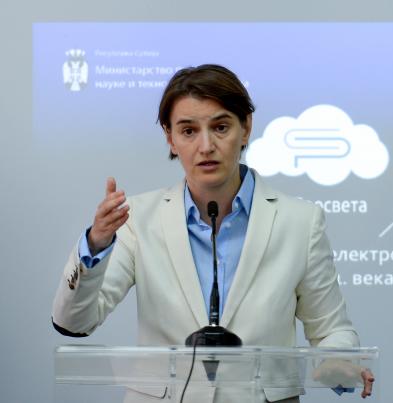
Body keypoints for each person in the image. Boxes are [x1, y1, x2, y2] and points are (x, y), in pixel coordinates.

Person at [52, 64, 374, 402]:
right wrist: (96, 245)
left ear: (246, 128)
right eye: (188, 131)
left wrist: (340, 361)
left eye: (220, 127)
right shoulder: (137, 218)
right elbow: (74, 321)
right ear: (170, 137)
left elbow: (332, 329)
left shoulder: (300, 222)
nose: (205, 146)